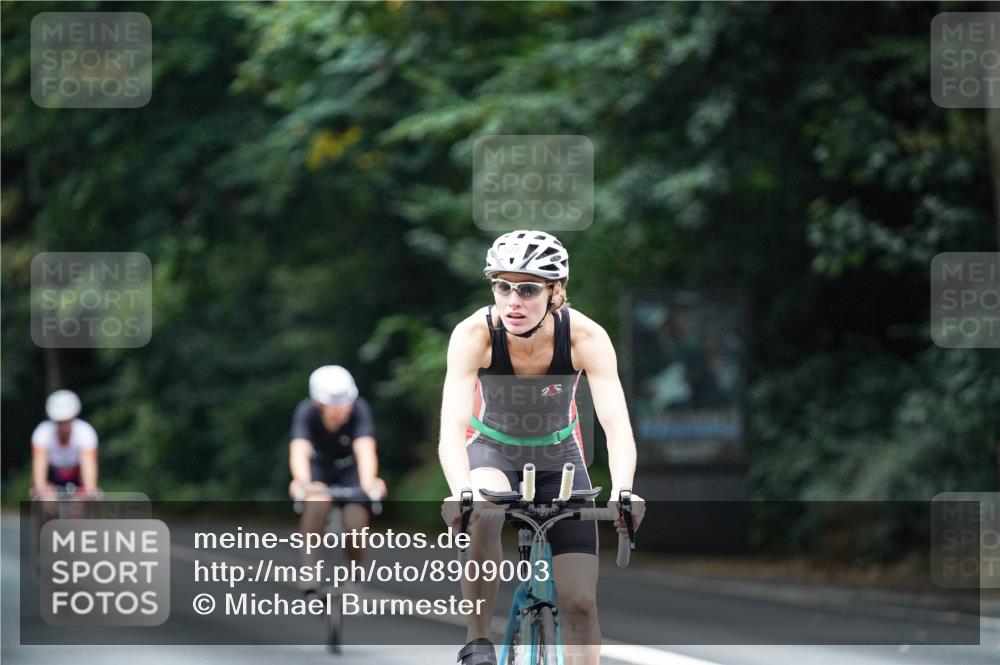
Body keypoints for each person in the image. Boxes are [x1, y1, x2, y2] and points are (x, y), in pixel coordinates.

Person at [439, 230, 646, 665]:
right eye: (502, 287)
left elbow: (616, 424)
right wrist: (461, 490)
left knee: (580, 603)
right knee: (485, 508)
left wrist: (624, 489)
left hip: (559, 460)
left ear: (555, 292)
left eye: (528, 288)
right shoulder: (474, 334)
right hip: (493, 449)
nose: (513, 301)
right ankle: (478, 638)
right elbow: (453, 426)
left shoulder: (584, 337)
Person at [288, 365, 387, 580]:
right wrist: (301, 481)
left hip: (350, 469)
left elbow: (365, 449)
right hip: (320, 467)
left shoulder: (359, 409)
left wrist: (370, 482)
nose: (344, 410)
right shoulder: (306, 412)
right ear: (320, 404)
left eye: (347, 404)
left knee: (355, 522)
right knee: (316, 503)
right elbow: (299, 449)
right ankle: (310, 569)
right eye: (336, 407)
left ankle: (354, 575)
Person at [31, 389, 99, 501]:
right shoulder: (42, 433)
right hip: (52, 477)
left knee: (89, 501)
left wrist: (86, 492)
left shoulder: (86, 433)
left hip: (77, 478)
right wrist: (43, 490)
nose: (63, 425)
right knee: (43, 501)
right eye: (59, 421)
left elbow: (89, 479)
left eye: (66, 420)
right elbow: (39, 477)